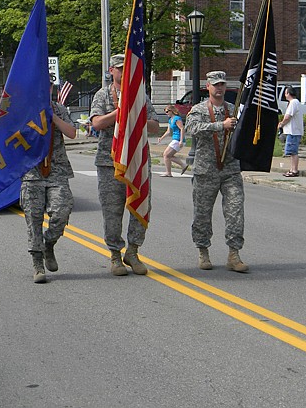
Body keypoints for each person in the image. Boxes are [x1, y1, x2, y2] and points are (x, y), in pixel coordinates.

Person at [90, 53, 159, 276]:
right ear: (111, 71)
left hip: (136, 161)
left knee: (141, 205)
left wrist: (136, 116)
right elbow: (97, 123)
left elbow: (156, 126)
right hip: (109, 163)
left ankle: (134, 251)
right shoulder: (102, 95)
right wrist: (120, 113)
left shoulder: (140, 95)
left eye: (127, 68)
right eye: (119, 68)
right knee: (112, 212)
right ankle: (115, 255)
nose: (123, 71)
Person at [185, 71, 248, 273]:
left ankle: (234, 254)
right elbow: (192, 129)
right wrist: (220, 125)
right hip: (206, 170)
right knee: (202, 214)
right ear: (208, 87)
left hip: (230, 170)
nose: (219, 88)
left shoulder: (234, 109)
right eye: (215, 85)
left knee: (235, 212)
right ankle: (203, 251)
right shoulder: (199, 109)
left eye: (222, 84)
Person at [21, 84, 77, 283]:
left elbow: (72, 133)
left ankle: (49, 243)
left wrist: (52, 116)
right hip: (31, 172)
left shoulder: (60, 109)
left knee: (63, 210)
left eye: (49, 86)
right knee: (34, 219)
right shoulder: (23, 108)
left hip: (57, 170)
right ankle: (37, 264)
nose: (46, 89)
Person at [278, 85, 304, 177]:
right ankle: (292, 169)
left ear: (289, 93)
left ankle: (294, 170)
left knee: (293, 152)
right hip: (292, 131)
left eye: (285, 93)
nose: (285, 95)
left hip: (293, 131)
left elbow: (288, 116)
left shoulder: (293, 103)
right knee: (291, 152)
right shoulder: (295, 102)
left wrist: (281, 124)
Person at [157, 104, 185, 176]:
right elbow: (168, 131)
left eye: (167, 112)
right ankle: (182, 165)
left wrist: (181, 140)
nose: (166, 114)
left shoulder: (177, 118)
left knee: (166, 155)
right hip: (174, 139)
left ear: (171, 111)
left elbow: (182, 128)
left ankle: (169, 172)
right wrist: (161, 138)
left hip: (178, 139)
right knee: (168, 155)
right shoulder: (170, 120)